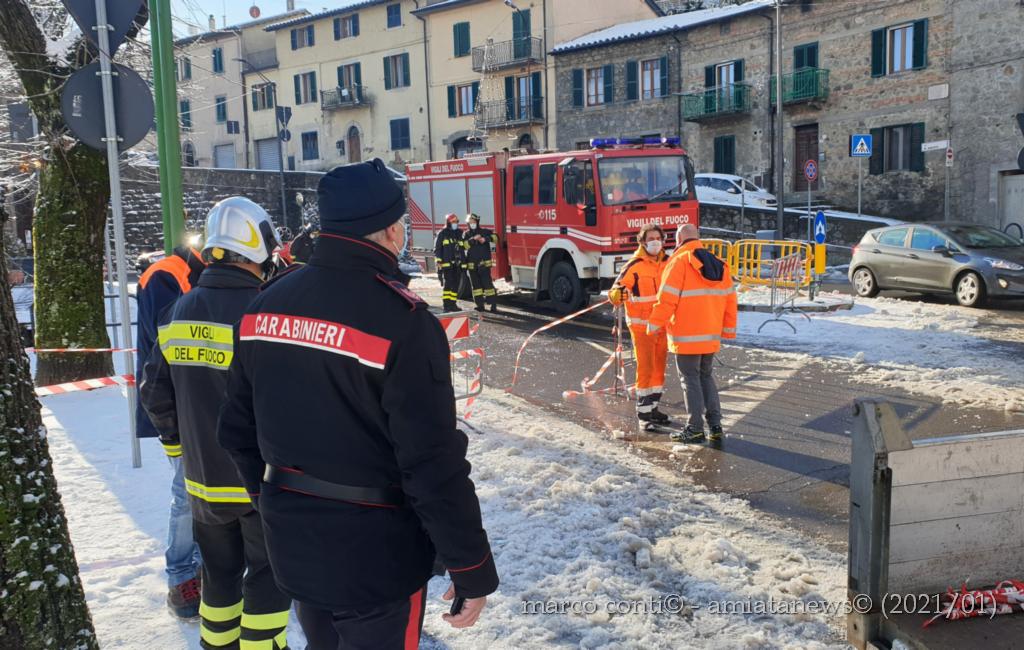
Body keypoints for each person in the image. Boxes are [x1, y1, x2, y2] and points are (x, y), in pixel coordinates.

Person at [217, 159, 499, 649]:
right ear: (390, 230)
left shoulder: (264, 305)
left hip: (293, 540)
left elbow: (236, 431)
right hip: (378, 555)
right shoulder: (403, 320)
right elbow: (432, 462)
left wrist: (274, 502)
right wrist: (471, 566)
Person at [140, 197, 291, 650]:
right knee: (267, 577)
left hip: (203, 484)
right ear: (258, 246)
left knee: (219, 579)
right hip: (259, 483)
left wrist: (181, 451)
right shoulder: (266, 314)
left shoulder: (179, 311)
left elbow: (154, 393)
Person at [135, 227, 205, 619]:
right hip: (174, 404)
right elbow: (171, 339)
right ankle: (182, 575)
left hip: (191, 401)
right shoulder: (167, 274)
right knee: (186, 493)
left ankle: (200, 567)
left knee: (200, 492)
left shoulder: (190, 273)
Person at [647, 223, 737, 443]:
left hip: (686, 335)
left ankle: (694, 428)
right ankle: (715, 425)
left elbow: (667, 299)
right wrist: (727, 330)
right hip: (710, 335)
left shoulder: (679, 262)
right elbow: (730, 301)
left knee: (690, 380)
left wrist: (654, 324)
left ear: (679, 240)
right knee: (706, 376)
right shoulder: (719, 264)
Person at [608, 224, 669, 428]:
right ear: (642, 242)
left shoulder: (668, 263)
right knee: (646, 368)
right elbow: (615, 291)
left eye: (658, 238)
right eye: (650, 239)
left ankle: (654, 408)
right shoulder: (634, 265)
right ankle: (644, 415)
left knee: (659, 368)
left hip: (662, 326)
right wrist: (617, 295)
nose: (655, 242)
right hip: (642, 327)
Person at [461, 213, 499, 313]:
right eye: (470, 222)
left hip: (484, 265)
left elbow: (496, 238)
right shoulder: (466, 234)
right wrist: (473, 240)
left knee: (488, 285)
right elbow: (464, 246)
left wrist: (485, 239)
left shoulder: (484, 231)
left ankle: (493, 305)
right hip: (472, 265)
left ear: (477, 222)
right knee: (476, 287)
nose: (472, 224)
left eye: (474, 222)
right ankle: (480, 305)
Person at [435, 213, 464, 312]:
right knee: (448, 285)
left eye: (456, 222)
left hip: (457, 264)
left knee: (456, 285)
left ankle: (453, 304)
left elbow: (463, 247)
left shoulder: (459, 233)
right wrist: (439, 260)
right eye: (453, 222)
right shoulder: (442, 233)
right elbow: (438, 248)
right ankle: (446, 305)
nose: (455, 223)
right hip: (447, 265)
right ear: (448, 222)